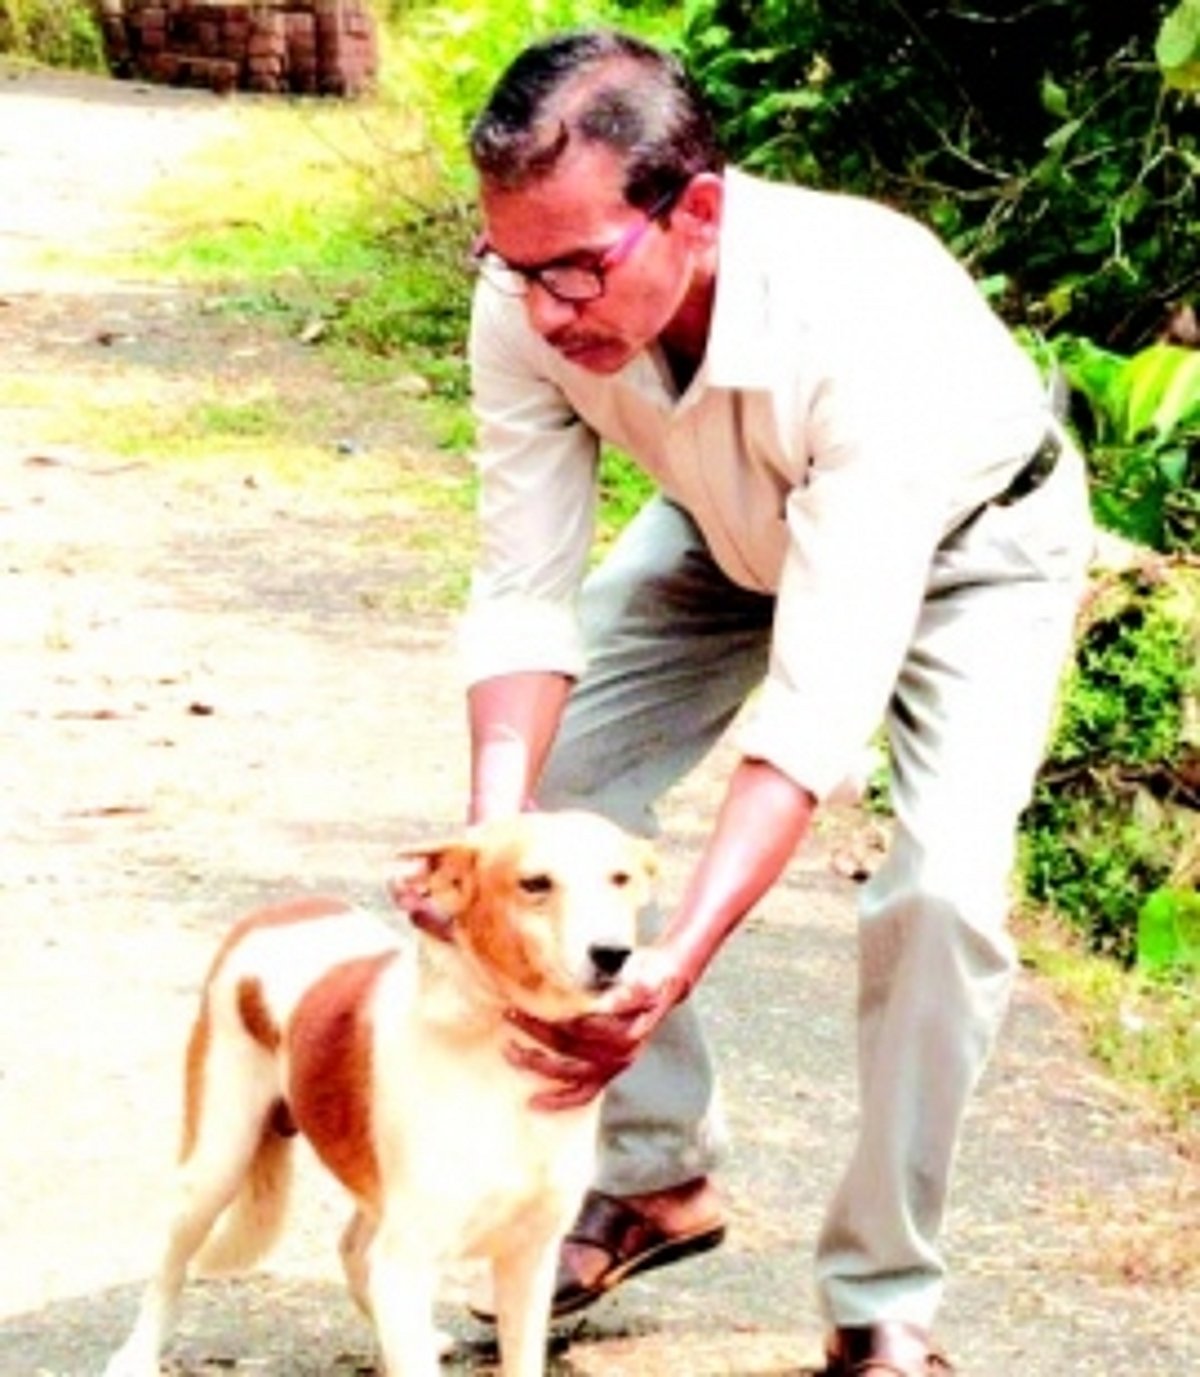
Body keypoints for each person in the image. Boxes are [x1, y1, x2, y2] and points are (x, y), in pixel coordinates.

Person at [456, 26, 1093, 1377]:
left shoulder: (866, 318)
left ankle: (881, 1296)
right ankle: (654, 1173)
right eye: (517, 267)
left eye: (578, 268)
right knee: (557, 810)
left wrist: (673, 956)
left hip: (977, 541)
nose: (547, 307)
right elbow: (523, 589)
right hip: (728, 526)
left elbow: (811, 722)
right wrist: (486, 851)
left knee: (942, 898)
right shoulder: (526, 295)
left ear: (695, 208)